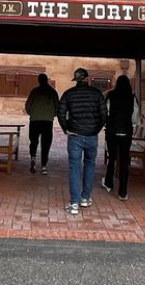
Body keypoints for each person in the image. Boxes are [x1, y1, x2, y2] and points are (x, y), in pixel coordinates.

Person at [56, 67, 106, 216]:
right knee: (90, 164)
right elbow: (104, 114)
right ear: (87, 79)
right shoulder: (97, 94)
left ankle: (74, 204)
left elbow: (60, 113)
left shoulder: (69, 93)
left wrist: (66, 129)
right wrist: (96, 129)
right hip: (91, 135)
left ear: (76, 79)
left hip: (74, 135)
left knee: (74, 167)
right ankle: (85, 198)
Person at [102, 74, 140, 201]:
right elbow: (135, 118)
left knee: (112, 158)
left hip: (112, 131)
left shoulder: (111, 96)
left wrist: (108, 123)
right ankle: (123, 192)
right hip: (126, 132)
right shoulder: (132, 97)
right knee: (124, 161)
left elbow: (106, 113)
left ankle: (108, 183)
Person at [23, 73, 59, 175]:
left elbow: (28, 105)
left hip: (35, 120)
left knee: (33, 141)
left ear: (38, 80)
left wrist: (32, 113)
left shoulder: (34, 91)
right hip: (47, 121)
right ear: (47, 80)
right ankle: (44, 166)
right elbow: (57, 106)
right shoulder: (52, 92)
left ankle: (33, 157)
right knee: (46, 143)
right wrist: (51, 114)